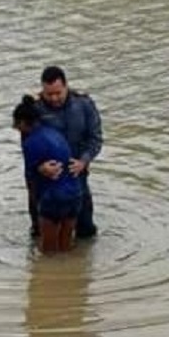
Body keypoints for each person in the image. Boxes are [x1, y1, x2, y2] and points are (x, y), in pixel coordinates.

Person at [33, 66, 102, 239]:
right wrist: (40, 167)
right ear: (42, 90)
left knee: (86, 232)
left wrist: (83, 161)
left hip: (77, 174)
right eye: (49, 94)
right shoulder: (35, 109)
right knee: (41, 234)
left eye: (58, 93)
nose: (54, 98)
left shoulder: (84, 105)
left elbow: (95, 138)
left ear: (66, 86)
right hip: (47, 180)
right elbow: (28, 145)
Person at [13, 95, 82, 253]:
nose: (16, 128)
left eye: (16, 124)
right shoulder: (54, 133)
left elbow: (33, 178)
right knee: (66, 248)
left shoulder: (31, 142)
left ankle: (49, 277)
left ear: (22, 122)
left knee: (48, 252)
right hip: (75, 193)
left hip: (53, 198)